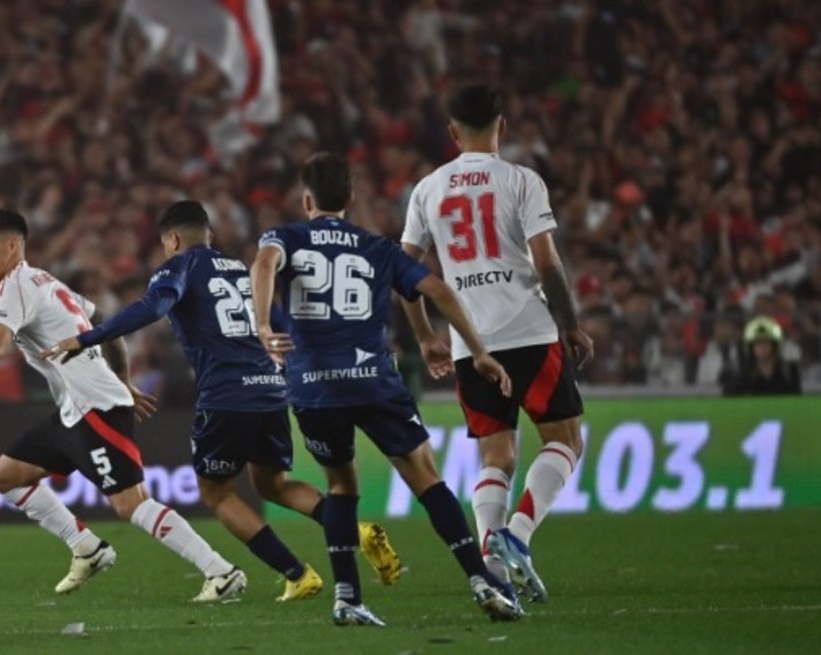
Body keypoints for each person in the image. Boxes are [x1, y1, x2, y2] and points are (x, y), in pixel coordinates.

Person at [38, 200, 403, 603]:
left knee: (217, 493)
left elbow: (153, 306)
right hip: (271, 390)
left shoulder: (180, 267)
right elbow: (284, 326)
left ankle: (297, 573)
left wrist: (87, 337)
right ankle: (358, 530)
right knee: (273, 484)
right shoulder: (245, 273)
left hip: (227, 396)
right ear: (208, 235)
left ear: (172, 239)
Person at [0, 209, 247, 602]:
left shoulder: (15, 286)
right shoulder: (45, 281)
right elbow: (102, 320)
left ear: (13, 245)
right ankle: (86, 547)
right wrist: (121, 377)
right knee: (5, 476)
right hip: (74, 409)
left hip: (95, 407)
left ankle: (221, 572)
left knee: (130, 503)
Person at [251, 152, 522, 626]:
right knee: (426, 477)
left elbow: (264, 264)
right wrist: (476, 350)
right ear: (350, 197)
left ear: (307, 198)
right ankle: (482, 581)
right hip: (373, 380)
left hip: (313, 386)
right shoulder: (376, 247)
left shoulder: (284, 237)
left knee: (340, 485)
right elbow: (436, 290)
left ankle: (347, 597)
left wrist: (261, 324)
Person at [399, 84, 594, 605]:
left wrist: (425, 337)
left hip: (470, 340)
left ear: (452, 132)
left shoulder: (428, 189)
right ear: (502, 127)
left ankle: (491, 563)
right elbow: (547, 261)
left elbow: (406, 273)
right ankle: (518, 536)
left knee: (496, 454)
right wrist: (569, 323)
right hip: (529, 330)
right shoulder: (521, 181)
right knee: (566, 440)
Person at [727, 316, 801, 395]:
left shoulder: (788, 372)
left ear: (774, 346)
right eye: (758, 343)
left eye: (766, 342)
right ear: (751, 347)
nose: (762, 347)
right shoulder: (743, 374)